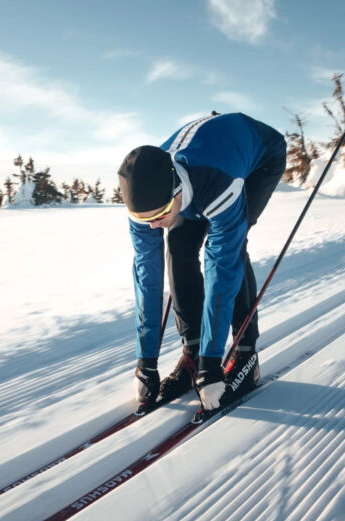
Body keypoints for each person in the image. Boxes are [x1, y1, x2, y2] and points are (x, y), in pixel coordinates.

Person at [118, 112, 287, 414]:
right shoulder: (147, 203)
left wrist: (212, 365)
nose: (154, 225)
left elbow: (221, 270)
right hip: (200, 168)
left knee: (231, 247)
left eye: (160, 215)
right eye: (145, 220)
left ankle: (245, 354)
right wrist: (146, 362)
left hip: (257, 161)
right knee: (178, 244)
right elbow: (148, 276)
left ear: (176, 191)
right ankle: (191, 350)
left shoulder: (219, 182)